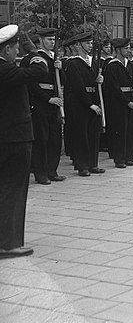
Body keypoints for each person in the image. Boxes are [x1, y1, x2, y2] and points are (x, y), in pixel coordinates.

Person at [0, 25, 48, 258]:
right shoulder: (6, 70)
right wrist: (33, 50)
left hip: (6, 138)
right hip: (14, 138)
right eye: (16, 48)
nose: (18, 52)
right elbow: (41, 70)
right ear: (8, 49)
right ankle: (8, 244)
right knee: (14, 190)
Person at [22, 27, 65, 184]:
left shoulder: (55, 59)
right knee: (41, 139)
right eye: (48, 40)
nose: (52, 43)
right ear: (40, 41)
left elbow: (63, 82)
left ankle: (51, 171)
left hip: (55, 103)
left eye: (53, 40)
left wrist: (60, 69)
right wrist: (48, 99)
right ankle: (40, 173)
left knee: (55, 139)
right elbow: (31, 84)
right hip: (41, 103)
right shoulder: (34, 58)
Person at [63, 31, 104, 176]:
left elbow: (95, 82)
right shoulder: (74, 63)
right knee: (81, 135)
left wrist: (99, 81)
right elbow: (78, 86)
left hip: (93, 99)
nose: (90, 45)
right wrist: (89, 104)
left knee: (93, 134)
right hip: (80, 103)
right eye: (87, 43)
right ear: (79, 45)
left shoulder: (94, 61)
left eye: (91, 43)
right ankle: (82, 166)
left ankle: (93, 163)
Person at [102, 38, 133, 168]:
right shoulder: (112, 66)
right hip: (119, 102)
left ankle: (129, 157)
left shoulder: (129, 64)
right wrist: (127, 102)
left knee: (131, 130)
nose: (128, 51)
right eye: (126, 48)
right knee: (120, 131)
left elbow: (132, 83)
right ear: (118, 50)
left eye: (129, 48)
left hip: (131, 98)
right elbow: (114, 88)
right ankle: (119, 159)